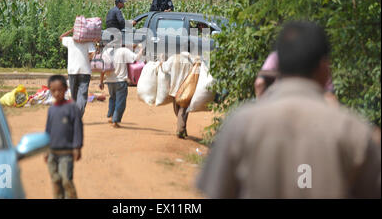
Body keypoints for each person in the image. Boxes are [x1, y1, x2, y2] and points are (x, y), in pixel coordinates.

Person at [197, 21, 381, 198]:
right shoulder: (354, 132)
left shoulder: (241, 123)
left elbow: (217, 191)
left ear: (279, 66)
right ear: (325, 69)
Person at [44, 75, 83, 199]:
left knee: (66, 180)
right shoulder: (51, 110)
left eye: (59, 90)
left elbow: (78, 128)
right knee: (56, 181)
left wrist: (77, 146)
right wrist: (45, 148)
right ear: (50, 90)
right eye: (53, 90)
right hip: (52, 152)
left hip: (66, 152)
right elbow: (48, 130)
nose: (56, 93)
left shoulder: (72, 108)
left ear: (66, 89)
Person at [254, 50, 337, 105]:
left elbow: (259, 83)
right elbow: (329, 96)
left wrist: (261, 107)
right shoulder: (318, 60)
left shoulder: (277, 56)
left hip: (279, 104)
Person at [99, 43, 143, 128]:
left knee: (112, 99)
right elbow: (136, 58)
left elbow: (102, 69)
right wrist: (141, 49)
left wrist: (101, 81)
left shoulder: (107, 52)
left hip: (110, 81)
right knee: (120, 102)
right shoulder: (123, 51)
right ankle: (115, 121)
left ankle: (111, 116)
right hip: (120, 81)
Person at [59, 28, 96, 117]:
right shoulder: (89, 42)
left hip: (72, 71)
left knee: (74, 96)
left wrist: (70, 30)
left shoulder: (70, 40)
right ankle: (78, 115)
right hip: (85, 71)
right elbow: (92, 54)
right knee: (82, 95)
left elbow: (61, 37)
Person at [161, 52, 195, 139]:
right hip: (186, 90)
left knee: (179, 111)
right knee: (182, 111)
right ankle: (182, 128)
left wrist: (162, 60)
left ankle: (180, 130)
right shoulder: (190, 61)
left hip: (175, 90)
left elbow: (164, 69)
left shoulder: (173, 58)